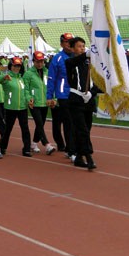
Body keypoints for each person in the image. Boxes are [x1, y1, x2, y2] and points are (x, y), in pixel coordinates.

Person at [65, 37, 98, 170]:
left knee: (86, 129)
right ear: (72, 49)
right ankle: (88, 157)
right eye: (79, 46)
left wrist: (91, 93)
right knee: (82, 129)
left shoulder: (90, 63)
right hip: (76, 100)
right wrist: (87, 54)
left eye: (83, 46)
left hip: (88, 101)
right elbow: (74, 61)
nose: (82, 48)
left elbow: (97, 83)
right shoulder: (70, 62)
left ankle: (79, 156)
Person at [46, 33, 76, 162]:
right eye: (66, 42)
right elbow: (51, 78)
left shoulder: (78, 56)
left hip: (77, 95)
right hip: (63, 95)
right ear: (61, 44)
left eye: (71, 42)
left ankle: (72, 148)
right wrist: (50, 96)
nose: (69, 44)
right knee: (68, 122)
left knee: (77, 123)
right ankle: (71, 150)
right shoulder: (57, 59)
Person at [0, 56, 32, 157]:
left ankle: (26, 149)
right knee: (8, 129)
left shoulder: (21, 79)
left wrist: (28, 99)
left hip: (22, 108)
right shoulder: (7, 77)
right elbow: (0, 80)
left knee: (25, 129)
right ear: (10, 66)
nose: (16, 68)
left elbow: (26, 92)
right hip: (10, 108)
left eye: (18, 66)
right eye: (14, 66)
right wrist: (4, 77)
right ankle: (2, 147)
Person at [23, 51, 56, 155]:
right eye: (37, 61)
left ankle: (33, 143)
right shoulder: (28, 74)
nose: (40, 64)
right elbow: (25, 89)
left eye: (41, 61)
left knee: (40, 124)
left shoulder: (47, 72)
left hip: (45, 103)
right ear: (33, 61)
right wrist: (29, 98)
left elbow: (51, 87)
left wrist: (53, 99)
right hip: (34, 103)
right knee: (39, 123)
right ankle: (47, 144)